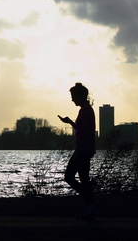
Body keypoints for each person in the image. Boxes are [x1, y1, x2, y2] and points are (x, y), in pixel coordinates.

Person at [58, 82, 99, 220]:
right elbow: (82, 130)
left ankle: (91, 202)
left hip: (82, 150)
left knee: (69, 177)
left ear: (80, 95)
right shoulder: (86, 109)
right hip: (86, 149)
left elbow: (84, 133)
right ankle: (90, 206)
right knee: (84, 179)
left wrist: (77, 151)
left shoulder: (85, 110)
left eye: (73, 96)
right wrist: (70, 122)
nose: (72, 99)